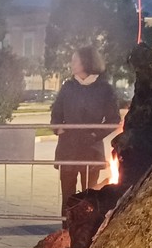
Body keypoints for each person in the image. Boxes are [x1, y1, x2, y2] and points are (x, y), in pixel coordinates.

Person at [50, 46, 120, 217]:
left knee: (89, 197)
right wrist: (57, 128)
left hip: (91, 150)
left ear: (86, 62)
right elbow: (56, 113)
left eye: (75, 60)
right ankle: (66, 228)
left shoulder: (104, 89)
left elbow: (113, 119)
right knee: (68, 197)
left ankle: (86, 230)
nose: (71, 63)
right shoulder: (68, 87)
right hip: (68, 149)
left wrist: (95, 135)